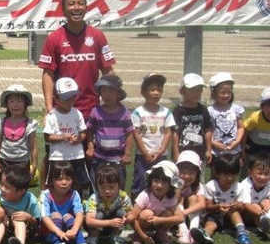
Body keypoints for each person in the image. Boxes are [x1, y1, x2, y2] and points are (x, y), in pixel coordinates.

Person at [38, 0, 116, 120]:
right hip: (62, 110)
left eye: (80, 3)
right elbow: (48, 74)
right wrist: (48, 105)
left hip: (91, 110)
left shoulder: (98, 36)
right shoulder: (54, 38)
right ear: (63, 9)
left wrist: (115, 99)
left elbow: (108, 71)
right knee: (60, 141)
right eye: (71, 4)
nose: (76, 7)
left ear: (86, 8)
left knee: (91, 142)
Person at [131, 73, 175, 202]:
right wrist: (145, 153)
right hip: (143, 156)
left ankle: (158, 206)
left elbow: (168, 132)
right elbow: (136, 133)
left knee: (160, 181)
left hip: (160, 155)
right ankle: (136, 207)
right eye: (152, 90)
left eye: (159, 90)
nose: (156, 93)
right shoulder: (138, 112)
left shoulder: (166, 112)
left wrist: (161, 150)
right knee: (140, 180)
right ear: (143, 92)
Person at [43, 77, 91, 194]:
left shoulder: (77, 113)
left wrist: (78, 139)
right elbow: (47, 137)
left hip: (76, 155)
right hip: (58, 157)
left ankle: (78, 205)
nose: (70, 101)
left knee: (78, 182)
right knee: (57, 182)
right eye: (66, 99)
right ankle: (56, 205)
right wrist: (62, 137)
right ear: (56, 99)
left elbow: (84, 132)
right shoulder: (52, 115)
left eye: (73, 97)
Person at [85, 74, 134, 190]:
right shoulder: (96, 111)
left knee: (117, 186)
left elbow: (129, 134)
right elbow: (90, 131)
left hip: (118, 159)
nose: (107, 94)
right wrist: (90, 147)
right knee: (97, 185)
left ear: (118, 94)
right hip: (99, 158)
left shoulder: (125, 114)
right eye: (103, 91)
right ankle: (95, 207)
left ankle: (117, 207)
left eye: (111, 91)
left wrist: (127, 154)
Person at [40, 160, 93, 244]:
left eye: (68, 179)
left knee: (68, 215)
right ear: (52, 180)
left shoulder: (74, 194)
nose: (64, 182)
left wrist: (74, 230)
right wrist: (59, 232)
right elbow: (45, 217)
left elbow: (79, 214)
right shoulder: (46, 195)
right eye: (60, 179)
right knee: (56, 214)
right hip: (51, 233)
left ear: (73, 180)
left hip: (70, 234)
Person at [195, 154, 249, 244]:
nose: (229, 178)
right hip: (215, 215)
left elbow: (242, 207)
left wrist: (237, 206)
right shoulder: (211, 186)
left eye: (233, 174)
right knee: (211, 224)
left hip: (230, 218)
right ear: (217, 174)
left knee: (234, 212)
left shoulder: (238, 187)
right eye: (225, 175)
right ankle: (205, 235)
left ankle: (242, 233)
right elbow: (208, 207)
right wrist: (218, 207)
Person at [126, 160, 184, 244]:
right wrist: (144, 237)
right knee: (147, 213)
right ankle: (139, 234)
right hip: (144, 223)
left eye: (164, 182)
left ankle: (161, 233)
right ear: (150, 181)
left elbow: (181, 218)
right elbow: (132, 218)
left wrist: (159, 219)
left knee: (169, 213)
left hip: (160, 222)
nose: (159, 185)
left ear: (171, 186)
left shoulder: (170, 198)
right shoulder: (145, 195)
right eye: (156, 181)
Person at [0, 164, 41, 244]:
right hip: (6, 229)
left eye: (7, 187)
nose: (2, 189)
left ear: (21, 192)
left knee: (18, 220)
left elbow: (38, 223)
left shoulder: (30, 200)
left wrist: (28, 217)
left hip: (25, 231)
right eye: (1, 184)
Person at [0, 84, 38, 183]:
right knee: (5, 186)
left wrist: (34, 165)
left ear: (25, 103)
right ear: (7, 104)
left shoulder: (30, 124)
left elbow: (33, 147)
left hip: (22, 162)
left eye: (19, 101)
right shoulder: (1, 122)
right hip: (4, 161)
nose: (15, 104)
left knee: (20, 187)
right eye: (11, 101)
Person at [84, 164, 132, 244]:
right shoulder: (94, 198)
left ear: (119, 185)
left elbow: (131, 213)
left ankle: (114, 236)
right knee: (99, 215)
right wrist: (109, 222)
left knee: (122, 213)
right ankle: (92, 237)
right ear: (97, 186)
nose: (107, 191)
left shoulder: (123, 196)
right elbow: (89, 221)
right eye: (102, 187)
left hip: (114, 226)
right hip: (97, 226)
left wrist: (126, 218)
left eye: (112, 187)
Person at [172, 73, 213, 165]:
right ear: (182, 91)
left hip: (199, 153)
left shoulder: (203, 109)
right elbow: (175, 133)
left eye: (199, 90)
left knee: (198, 177)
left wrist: (208, 150)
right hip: (182, 153)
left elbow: (207, 130)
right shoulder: (178, 111)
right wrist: (176, 153)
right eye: (192, 90)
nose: (196, 93)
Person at [207, 73, 244, 167]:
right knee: (215, 173)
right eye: (223, 92)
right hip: (217, 151)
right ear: (214, 93)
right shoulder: (210, 111)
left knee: (232, 172)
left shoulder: (236, 109)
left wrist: (237, 141)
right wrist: (213, 143)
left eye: (229, 92)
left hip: (234, 150)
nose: (226, 95)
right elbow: (208, 130)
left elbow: (240, 127)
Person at [174, 151, 206, 244]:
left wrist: (184, 213)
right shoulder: (174, 183)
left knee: (193, 197)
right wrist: (179, 189)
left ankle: (193, 230)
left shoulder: (198, 186)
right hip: (175, 213)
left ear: (197, 174)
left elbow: (202, 204)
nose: (187, 176)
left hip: (187, 213)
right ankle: (182, 229)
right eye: (183, 172)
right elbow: (173, 202)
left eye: (191, 173)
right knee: (180, 198)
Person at [241, 153, 270, 238]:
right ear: (250, 173)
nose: (263, 177)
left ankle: (267, 219)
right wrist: (261, 214)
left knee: (266, 201)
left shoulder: (268, 184)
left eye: (266, 174)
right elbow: (246, 204)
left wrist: (266, 209)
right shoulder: (245, 185)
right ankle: (264, 229)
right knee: (254, 205)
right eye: (259, 173)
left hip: (262, 210)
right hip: (247, 214)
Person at [242, 87, 270, 161]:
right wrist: (242, 151)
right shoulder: (255, 118)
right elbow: (245, 132)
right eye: (269, 106)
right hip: (253, 147)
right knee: (251, 166)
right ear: (262, 107)